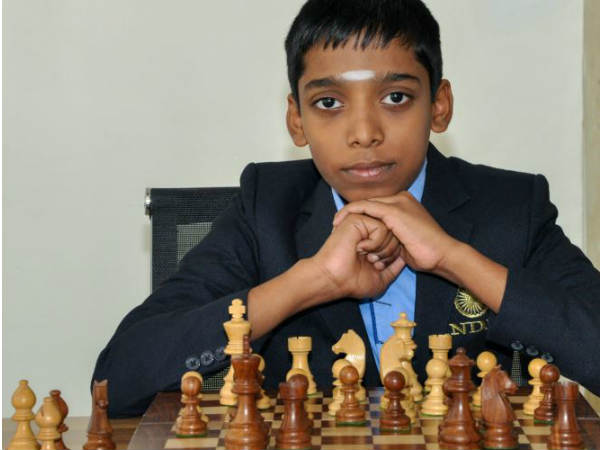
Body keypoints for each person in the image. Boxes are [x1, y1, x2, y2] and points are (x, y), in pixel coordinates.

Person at [93, 0, 600, 417]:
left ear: (439, 105)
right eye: (329, 103)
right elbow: (116, 381)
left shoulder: (511, 208)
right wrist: (313, 280)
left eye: (396, 97)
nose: (364, 133)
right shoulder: (266, 208)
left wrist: (453, 257)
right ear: (296, 120)